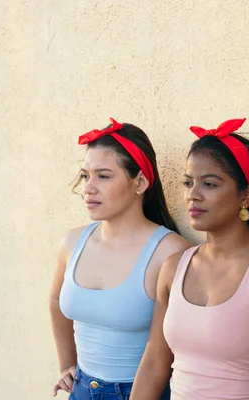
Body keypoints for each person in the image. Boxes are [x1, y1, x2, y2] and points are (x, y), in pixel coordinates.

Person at [130, 118, 249, 400]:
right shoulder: (173, 268)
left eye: (210, 184)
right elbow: (155, 363)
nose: (193, 195)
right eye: (188, 182)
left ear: (246, 195)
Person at [49, 118, 191, 400]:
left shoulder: (169, 253)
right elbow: (55, 301)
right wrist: (67, 363)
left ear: (139, 182)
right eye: (85, 175)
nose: (89, 187)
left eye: (103, 176)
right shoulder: (72, 242)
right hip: (81, 390)